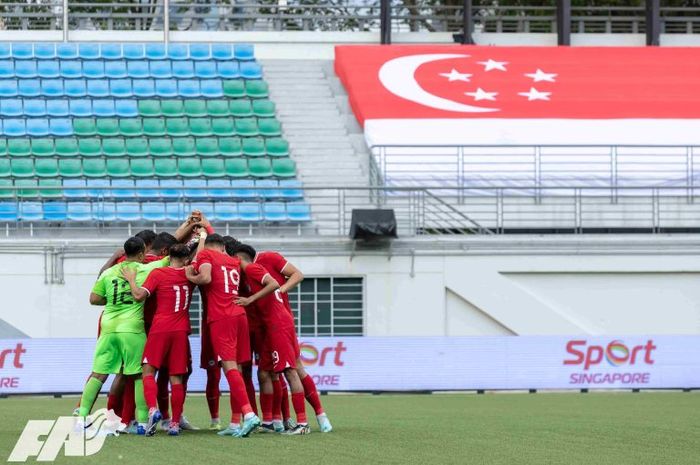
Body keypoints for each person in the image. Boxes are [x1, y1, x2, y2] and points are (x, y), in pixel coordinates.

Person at [78, 237, 169, 436]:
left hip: (109, 327)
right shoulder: (145, 269)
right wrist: (198, 237)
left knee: (98, 374)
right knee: (138, 374)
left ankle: (81, 418)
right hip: (132, 329)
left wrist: (112, 299)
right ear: (141, 254)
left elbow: (93, 299)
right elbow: (170, 259)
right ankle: (143, 422)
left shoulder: (109, 272)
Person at [185, 233, 261, 437]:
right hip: (240, 315)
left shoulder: (206, 256)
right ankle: (236, 423)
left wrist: (190, 276)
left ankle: (249, 414)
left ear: (209, 246)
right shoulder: (233, 260)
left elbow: (206, 277)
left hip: (221, 316)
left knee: (229, 368)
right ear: (222, 247)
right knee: (238, 368)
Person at [233, 243, 312, 435]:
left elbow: (275, 284)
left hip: (278, 324)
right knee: (265, 374)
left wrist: (251, 300)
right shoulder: (248, 272)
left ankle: (303, 423)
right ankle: (269, 421)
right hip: (270, 326)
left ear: (238, 258)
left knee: (290, 371)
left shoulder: (252, 268)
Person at [254, 246, 332, 433]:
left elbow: (297, 274)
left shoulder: (269, 258)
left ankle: (317, 416)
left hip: (280, 322)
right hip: (264, 326)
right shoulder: (244, 270)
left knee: (293, 367)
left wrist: (279, 291)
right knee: (268, 373)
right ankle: (277, 421)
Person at [121, 243, 195, 436]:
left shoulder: (159, 274)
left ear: (168, 256)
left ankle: (153, 410)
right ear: (186, 259)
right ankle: (174, 424)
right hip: (180, 331)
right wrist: (201, 237)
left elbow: (138, 296)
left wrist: (131, 280)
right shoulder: (190, 275)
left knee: (147, 371)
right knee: (176, 377)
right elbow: (199, 258)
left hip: (160, 328)